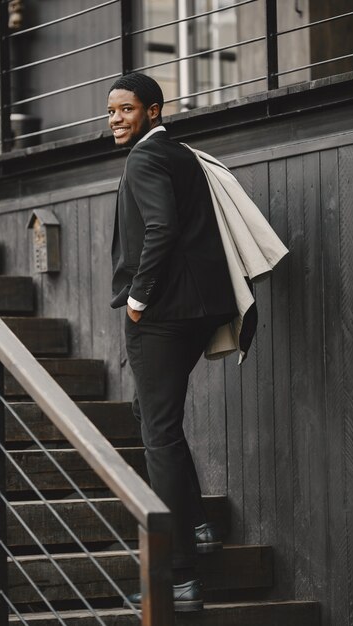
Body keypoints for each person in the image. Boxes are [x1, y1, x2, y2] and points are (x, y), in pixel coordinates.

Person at [108, 72, 238, 612]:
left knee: (157, 434)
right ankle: (201, 524)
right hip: (199, 309)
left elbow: (160, 229)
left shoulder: (144, 158)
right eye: (111, 111)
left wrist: (138, 299)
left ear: (154, 111)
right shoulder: (181, 154)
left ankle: (179, 575)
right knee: (152, 414)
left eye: (126, 110)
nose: (115, 118)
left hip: (162, 314)